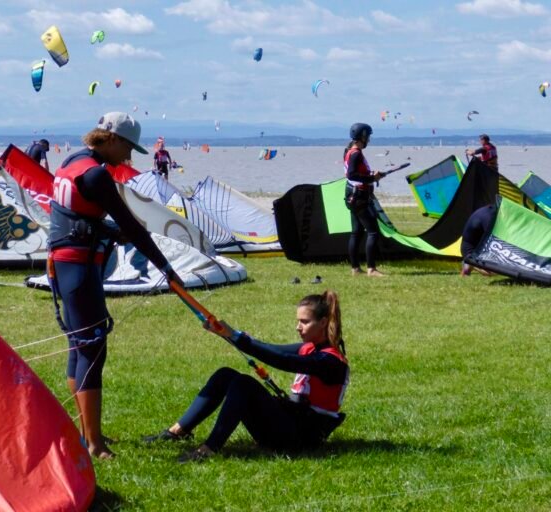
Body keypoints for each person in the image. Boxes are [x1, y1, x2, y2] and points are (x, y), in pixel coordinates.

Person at [48, 112, 183, 459]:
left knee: (79, 347)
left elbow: (74, 215)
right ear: (109, 138)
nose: (128, 156)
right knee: (92, 349)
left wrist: (107, 232)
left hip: (64, 266)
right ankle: (94, 444)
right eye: (126, 147)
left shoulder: (73, 162)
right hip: (79, 268)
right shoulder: (96, 175)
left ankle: (85, 431)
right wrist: (166, 267)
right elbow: (133, 228)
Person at [144, 290, 349, 462]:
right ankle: (177, 431)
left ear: (323, 323)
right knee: (226, 375)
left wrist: (237, 337)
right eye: (298, 321)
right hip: (290, 425)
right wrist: (226, 333)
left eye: (305, 322)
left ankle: (209, 449)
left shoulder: (332, 362)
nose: (298, 327)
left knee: (243, 384)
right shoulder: (308, 348)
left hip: (302, 439)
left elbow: (281, 360)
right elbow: (271, 349)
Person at [344, 123, 388, 277]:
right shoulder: (356, 154)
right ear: (362, 136)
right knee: (373, 232)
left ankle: (355, 268)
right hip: (359, 197)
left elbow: (356, 173)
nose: (369, 139)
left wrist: (372, 174)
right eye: (367, 136)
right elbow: (351, 174)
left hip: (352, 195)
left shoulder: (349, 150)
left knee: (356, 233)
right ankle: (371, 269)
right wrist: (371, 177)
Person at [460, 204, 496, 276]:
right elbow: (492, 238)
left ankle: (470, 263)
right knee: (493, 272)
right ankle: (469, 263)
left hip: (475, 247)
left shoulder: (487, 210)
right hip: (470, 250)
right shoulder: (487, 216)